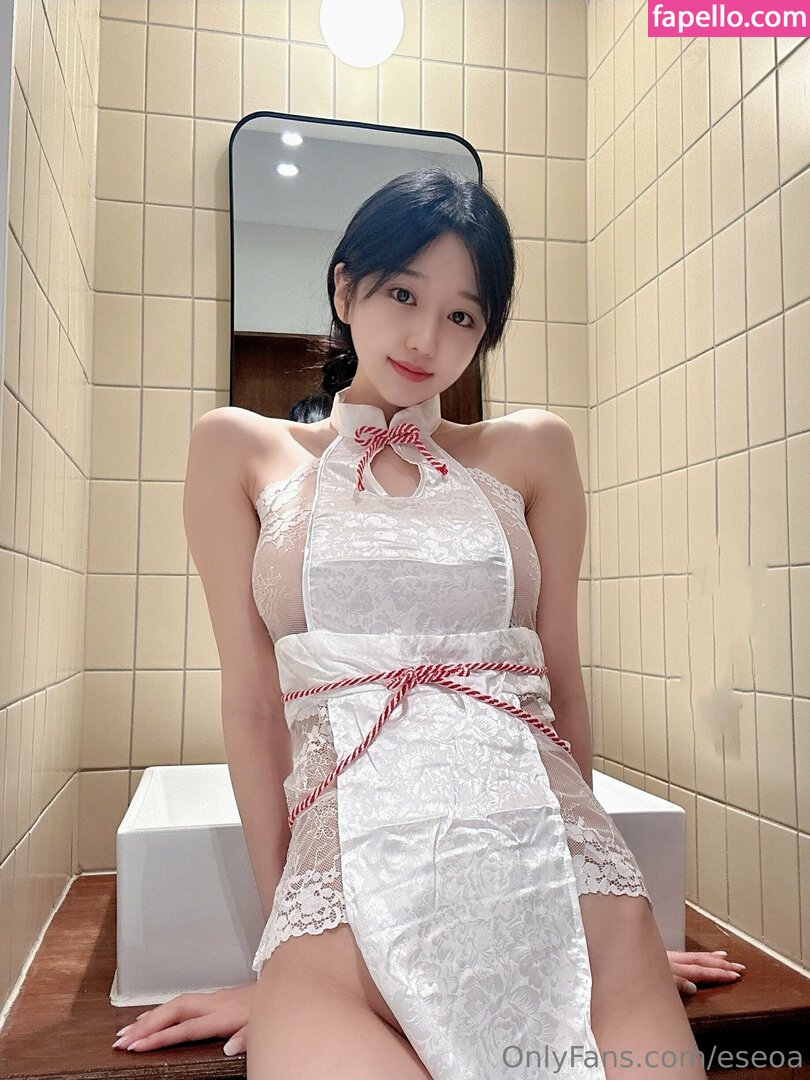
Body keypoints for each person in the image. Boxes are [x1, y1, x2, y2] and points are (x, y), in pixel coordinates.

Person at [113, 168, 745, 1074]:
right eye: (403, 294)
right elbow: (252, 706)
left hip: (569, 899)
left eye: (463, 316)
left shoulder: (533, 449)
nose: (426, 339)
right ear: (344, 289)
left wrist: (604, 920)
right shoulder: (238, 448)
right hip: (341, 930)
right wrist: (276, 950)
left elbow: (561, 687)